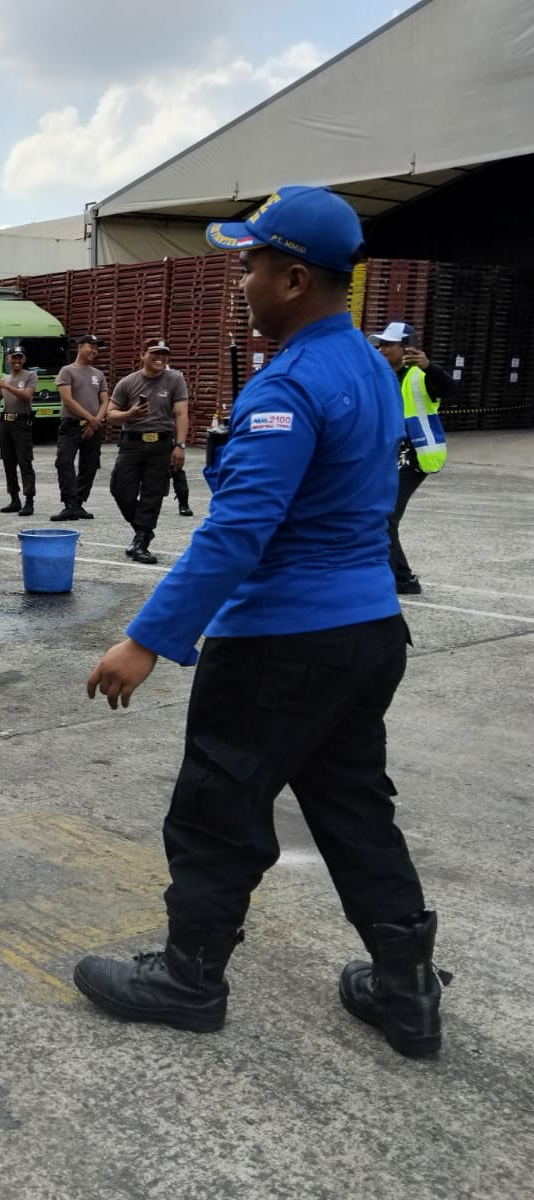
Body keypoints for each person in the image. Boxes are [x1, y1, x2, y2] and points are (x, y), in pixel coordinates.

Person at [76, 186, 446, 1059]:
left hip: (285, 642)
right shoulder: (366, 364)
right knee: (355, 807)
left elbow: (240, 529)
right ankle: (406, 992)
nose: (238, 279)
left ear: (292, 277)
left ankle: (188, 979)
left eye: (248, 264)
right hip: (366, 633)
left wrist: (147, 639)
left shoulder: (293, 382)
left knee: (215, 807)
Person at [372, 321, 454, 595]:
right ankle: (404, 579)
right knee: (381, 516)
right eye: (380, 343)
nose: (381, 348)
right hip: (389, 455)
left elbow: (451, 391)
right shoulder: (382, 374)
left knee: (386, 517)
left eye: (387, 344)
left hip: (415, 455)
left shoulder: (421, 376)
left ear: (406, 347)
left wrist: (430, 367)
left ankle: (395, 580)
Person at [107, 338, 189, 564]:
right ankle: (143, 530)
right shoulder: (128, 382)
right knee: (120, 490)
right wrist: (129, 414)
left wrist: (180, 446)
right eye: (154, 354)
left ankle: (141, 541)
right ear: (142, 354)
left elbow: (181, 414)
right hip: (131, 443)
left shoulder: (175, 380)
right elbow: (110, 414)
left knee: (153, 494)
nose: (160, 358)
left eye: (164, 354)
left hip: (161, 445)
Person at [50, 335, 110, 522]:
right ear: (80, 347)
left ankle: (78, 503)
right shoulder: (67, 371)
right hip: (71, 425)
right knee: (64, 462)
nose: (94, 351)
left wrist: (96, 421)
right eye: (91, 346)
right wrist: (90, 419)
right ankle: (69, 503)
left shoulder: (98, 374)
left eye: (96, 348)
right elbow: (68, 400)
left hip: (94, 426)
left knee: (90, 465)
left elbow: (105, 400)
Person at [0, 347, 38, 516]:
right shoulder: (4, 379)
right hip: (6, 421)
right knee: (8, 462)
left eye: (20, 357)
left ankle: (29, 500)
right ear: (7, 359)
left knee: (25, 461)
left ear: (24, 359)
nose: (17, 361)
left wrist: (6, 386)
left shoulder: (30, 376)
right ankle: (14, 498)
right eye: (14, 357)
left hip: (22, 422)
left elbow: (27, 396)